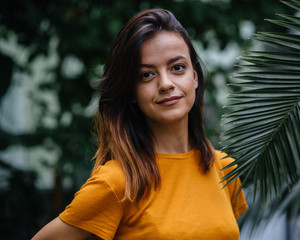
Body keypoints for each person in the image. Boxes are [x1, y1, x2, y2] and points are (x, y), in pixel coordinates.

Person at [32, 8, 248, 240]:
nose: (166, 84)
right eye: (147, 75)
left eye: (177, 68)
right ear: (132, 92)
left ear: (194, 77)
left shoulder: (224, 168)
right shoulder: (118, 181)